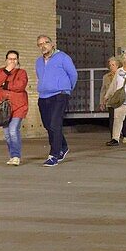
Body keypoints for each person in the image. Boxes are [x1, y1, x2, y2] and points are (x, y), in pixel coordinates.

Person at [35, 35, 77, 167]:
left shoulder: (63, 57)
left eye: (46, 43)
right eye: (40, 44)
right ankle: (63, 146)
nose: (43, 46)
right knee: (48, 125)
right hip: (43, 96)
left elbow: (73, 75)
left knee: (55, 124)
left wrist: (66, 89)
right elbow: (40, 76)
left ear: (52, 44)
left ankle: (54, 155)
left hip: (59, 94)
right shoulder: (38, 62)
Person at [0, 50, 29, 165]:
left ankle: (16, 156)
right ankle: (12, 155)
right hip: (4, 108)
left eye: (14, 59)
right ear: (6, 60)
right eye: (10, 59)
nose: (12, 61)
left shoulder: (22, 72)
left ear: (18, 60)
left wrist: (6, 85)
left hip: (18, 106)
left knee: (13, 130)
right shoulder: (1, 71)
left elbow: (20, 86)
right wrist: (6, 71)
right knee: (7, 134)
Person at [100, 57, 126, 143]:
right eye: (110, 65)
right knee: (112, 120)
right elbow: (103, 90)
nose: (111, 67)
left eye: (113, 65)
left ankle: (125, 134)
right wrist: (102, 102)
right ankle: (114, 138)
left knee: (122, 119)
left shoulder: (122, 75)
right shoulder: (106, 77)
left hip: (120, 100)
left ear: (117, 66)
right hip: (111, 101)